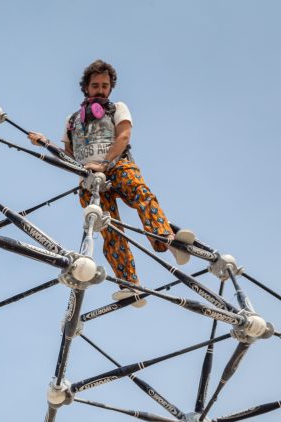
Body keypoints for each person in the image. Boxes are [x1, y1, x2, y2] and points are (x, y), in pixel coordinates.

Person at [28, 59, 189, 305]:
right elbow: (68, 155)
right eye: (95, 85)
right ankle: (129, 283)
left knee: (140, 194)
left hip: (117, 165)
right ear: (86, 88)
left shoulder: (117, 108)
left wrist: (104, 164)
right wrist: (44, 143)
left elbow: (123, 136)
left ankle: (165, 238)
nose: (101, 90)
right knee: (109, 230)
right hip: (89, 180)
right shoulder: (72, 120)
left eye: (105, 85)